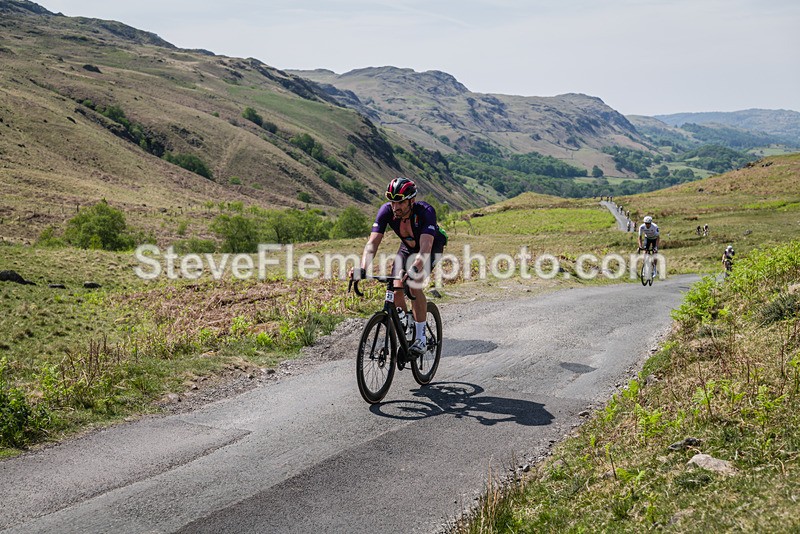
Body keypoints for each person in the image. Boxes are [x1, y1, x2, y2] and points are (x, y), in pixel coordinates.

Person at [351, 177, 447, 356]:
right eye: (392, 202)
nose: (395, 207)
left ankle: (420, 338)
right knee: (396, 289)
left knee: (413, 283)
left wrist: (414, 269)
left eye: (400, 202)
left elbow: (425, 248)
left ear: (411, 201)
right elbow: (372, 243)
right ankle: (405, 325)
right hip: (408, 248)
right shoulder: (386, 212)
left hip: (431, 247)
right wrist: (362, 268)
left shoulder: (425, 211)